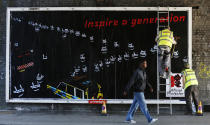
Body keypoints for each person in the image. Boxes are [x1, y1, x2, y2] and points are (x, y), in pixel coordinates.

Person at [123, 59, 158, 124]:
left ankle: (128, 118)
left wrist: (150, 87)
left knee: (134, 107)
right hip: (138, 92)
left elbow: (146, 81)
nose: (146, 64)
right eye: (145, 63)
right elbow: (131, 81)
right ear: (141, 64)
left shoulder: (144, 72)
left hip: (140, 92)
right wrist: (126, 89)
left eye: (146, 63)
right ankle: (149, 119)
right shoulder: (137, 72)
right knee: (144, 106)